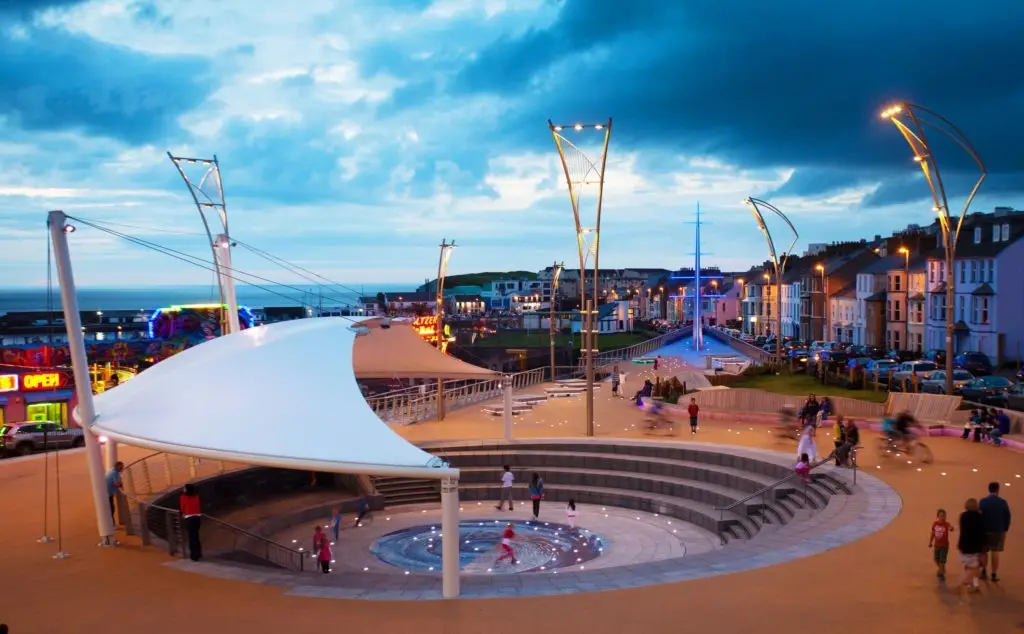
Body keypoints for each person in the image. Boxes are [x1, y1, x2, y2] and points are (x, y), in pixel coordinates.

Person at [979, 482, 1012, 582]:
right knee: (995, 552)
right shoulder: (1002, 502)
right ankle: (994, 574)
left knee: (984, 551)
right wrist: (1005, 528)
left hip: (984, 530)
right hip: (998, 530)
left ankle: (983, 571)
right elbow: (1007, 517)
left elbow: (979, 516)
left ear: (989, 489)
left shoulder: (983, 502)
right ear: (997, 490)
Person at [958, 498, 986, 594]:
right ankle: (966, 581)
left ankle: (974, 585)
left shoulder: (963, 516)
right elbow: (982, 533)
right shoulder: (980, 518)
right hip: (975, 548)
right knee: (975, 568)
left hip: (963, 546)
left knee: (968, 566)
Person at [928, 508, 954, 581]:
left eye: (944, 516)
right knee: (936, 559)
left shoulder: (946, 524)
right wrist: (930, 542)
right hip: (937, 545)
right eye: (941, 516)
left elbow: (951, 528)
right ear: (938, 516)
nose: (942, 517)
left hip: (944, 546)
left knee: (942, 560)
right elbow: (933, 533)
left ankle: (941, 573)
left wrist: (951, 528)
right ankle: (941, 569)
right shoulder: (935, 524)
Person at [179, 484, 202, 562]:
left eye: (184, 488)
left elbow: (182, 508)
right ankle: (198, 553)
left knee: (192, 537)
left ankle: (194, 555)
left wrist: (183, 514)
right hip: (197, 518)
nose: (183, 489)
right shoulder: (196, 497)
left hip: (190, 518)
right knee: (196, 536)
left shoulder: (183, 497)